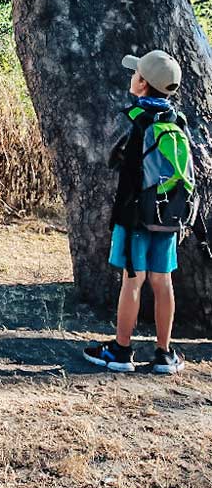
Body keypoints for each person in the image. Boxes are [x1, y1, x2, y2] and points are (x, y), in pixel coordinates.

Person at [83, 49, 186, 375]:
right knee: (162, 280)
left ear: (142, 84)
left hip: (134, 215)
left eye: (135, 73)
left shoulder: (132, 120)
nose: (132, 77)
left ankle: (121, 351)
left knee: (133, 281)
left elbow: (111, 158)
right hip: (168, 216)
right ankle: (163, 354)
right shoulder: (177, 122)